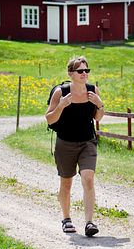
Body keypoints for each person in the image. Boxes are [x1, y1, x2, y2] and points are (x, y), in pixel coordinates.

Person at [45, 56, 105, 237]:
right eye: (80, 71)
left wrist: (99, 104)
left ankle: (89, 223)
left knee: (88, 178)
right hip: (65, 143)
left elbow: (98, 117)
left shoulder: (92, 90)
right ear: (71, 73)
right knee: (66, 182)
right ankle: (66, 219)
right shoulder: (60, 92)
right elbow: (49, 119)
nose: (84, 74)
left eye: (87, 71)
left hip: (88, 141)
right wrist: (62, 105)